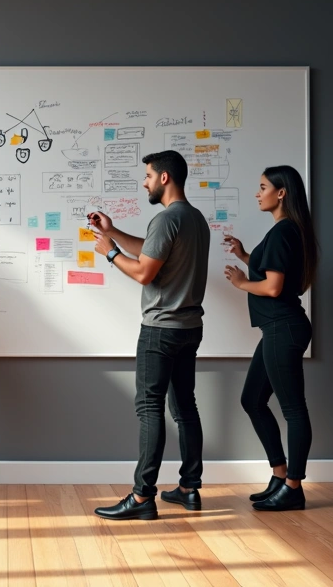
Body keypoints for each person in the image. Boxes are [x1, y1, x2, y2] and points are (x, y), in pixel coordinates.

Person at [88, 150, 211, 521]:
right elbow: (154, 253)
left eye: (147, 176)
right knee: (185, 406)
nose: (144, 182)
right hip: (189, 329)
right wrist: (113, 233)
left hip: (160, 331)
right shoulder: (194, 219)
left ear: (164, 178)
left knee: (149, 408)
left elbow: (145, 272)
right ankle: (190, 489)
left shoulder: (165, 219)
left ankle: (142, 498)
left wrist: (110, 253)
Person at [223, 165, 318, 511]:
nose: (257, 193)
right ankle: (280, 475)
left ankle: (293, 487)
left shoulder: (283, 232)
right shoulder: (287, 231)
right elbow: (275, 272)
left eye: (262, 187)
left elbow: (274, 287)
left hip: (283, 327)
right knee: (252, 400)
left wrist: (241, 283)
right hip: (279, 328)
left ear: (281, 193)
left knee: (293, 409)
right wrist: (245, 256)